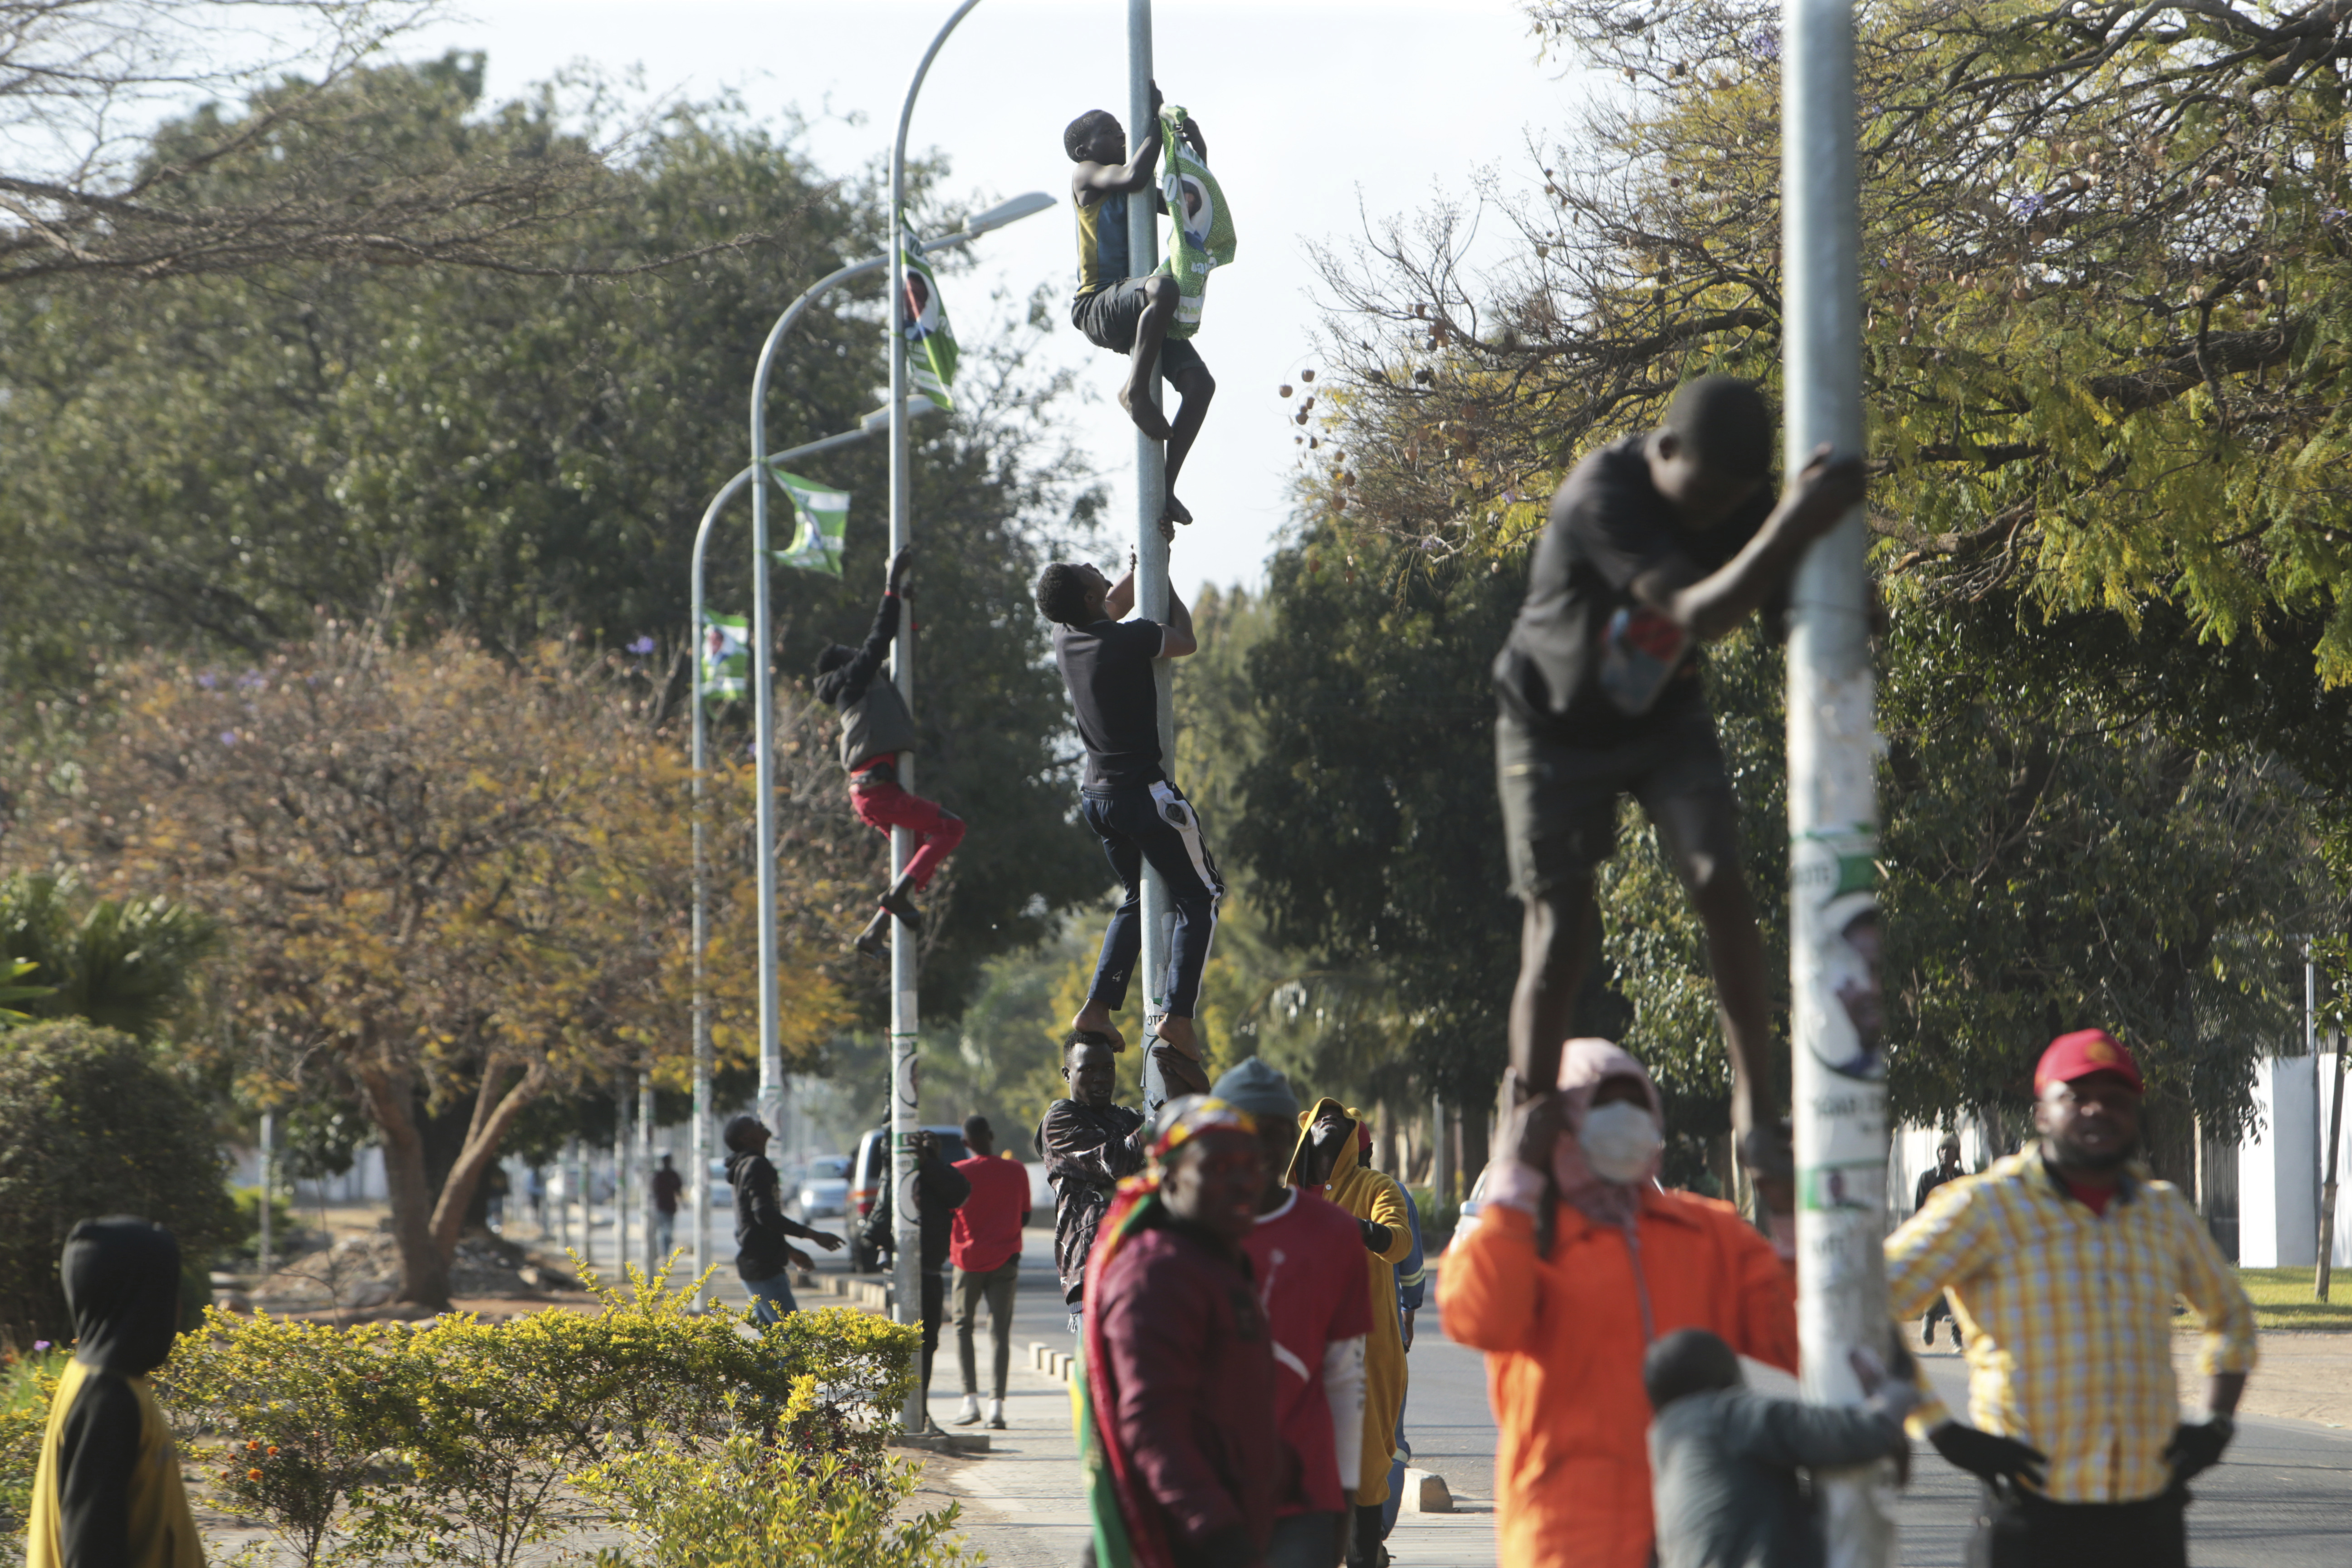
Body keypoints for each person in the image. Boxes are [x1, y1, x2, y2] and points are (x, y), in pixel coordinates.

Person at [1491, 374, 1867, 1222]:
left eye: (1725, 505)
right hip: (1550, 730)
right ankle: (1526, 1124)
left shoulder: (1748, 508)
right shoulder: (1601, 493)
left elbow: (1782, 605)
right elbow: (1698, 607)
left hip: (1661, 717)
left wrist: (1836, 593)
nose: (1707, 519)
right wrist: (1793, 524)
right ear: (1662, 452)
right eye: (1696, 499)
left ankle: (1754, 1108)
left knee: (1716, 875)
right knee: (1560, 929)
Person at [1884, 1029, 2257, 1568]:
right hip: (2033, 1520)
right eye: (2077, 1097)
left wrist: (2217, 1425)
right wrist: (1940, 1431)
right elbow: (1861, 1304)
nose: (2098, 1110)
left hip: (2147, 1517)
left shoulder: (2162, 1212)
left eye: (2116, 1097)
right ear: (2041, 1114)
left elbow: (2232, 1315)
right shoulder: (1983, 1207)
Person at [1440, 1039, 1798, 1568]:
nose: (1625, 1119)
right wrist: (1514, 1174)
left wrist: (1791, 1214)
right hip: (1568, 1543)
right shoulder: (1528, 1236)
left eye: (1637, 1102)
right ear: (1563, 1123)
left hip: (1700, 1534)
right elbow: (1480, 1318)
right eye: (1605, 1103)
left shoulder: (1707, 1233)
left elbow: (1800, 1338)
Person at [1034, 555, 1222, 1115]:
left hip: (1097, 799)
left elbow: (1109, 604)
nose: (1097, 568)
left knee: (1138, 898)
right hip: (1145, 796)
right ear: (1089, 600)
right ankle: (1179, 1018)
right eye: (1090, 571)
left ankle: (1098, 1005)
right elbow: (1184, 640)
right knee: (1202, 895)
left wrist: (1140, 563)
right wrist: (1160, 576)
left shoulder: (1068, 639)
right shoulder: (1128, 639)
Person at [1079, 1097, 1279, 1568]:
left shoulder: (1217, 1260)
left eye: (1251, 1166)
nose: (1243, 1182)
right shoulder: (1156, 1275)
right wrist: (1221, 1534)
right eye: (1219, 1167)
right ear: (1168, 1179)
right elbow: (1152, 1426)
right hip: (1177, 1544)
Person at [1214, 1058, 1372, 1568]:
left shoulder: (1333, 1235)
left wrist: (1343, 1504)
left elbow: (1345, 1380)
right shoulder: (1174, 1233)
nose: (1263, 1149)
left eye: (1278, 1134)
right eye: (1247, 1132)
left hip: (1304, 1495)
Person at [1064, 86, 1216, 531]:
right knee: (1162, 290)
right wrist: (1152, 117)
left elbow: (1189, 203)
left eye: (1124, 131)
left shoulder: (1136, 185)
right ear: (1083, 150)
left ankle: (1165, 489)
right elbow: (1131, 177)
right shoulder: (1087, 176)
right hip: (1099, 304)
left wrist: (1194, 146)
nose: (1122, 137)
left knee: (1199, 385)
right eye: (1112, 133)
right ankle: (1136, 391)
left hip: (1138, 304)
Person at [1644, 1328, 1916, 1568]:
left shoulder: (1665, 1443)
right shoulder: (1727, 1414)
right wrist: (1896, 1387)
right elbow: (1860, 1435)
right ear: (1728, 1376)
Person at [26, 1217, 204, 1568]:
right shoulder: (106, 1399)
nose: (177, 1310)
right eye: (167, 1295)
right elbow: (91, 1549)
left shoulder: (113, 1383)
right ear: (139, 1302)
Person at [815, 544, 964, 961]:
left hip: (873, 789)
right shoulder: (851, 682)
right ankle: (897, 901)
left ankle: (874, 932)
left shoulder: (870, 688)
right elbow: (878, 642)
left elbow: (902, 659)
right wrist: (891, 584)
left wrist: (908, 614)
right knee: (951, 830)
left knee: (918, 858)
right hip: (877, 790)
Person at [1286, 1097, 1413, 1567]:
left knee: (1363, 1473)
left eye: (1340, 1119)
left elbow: (1398, 1241)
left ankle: (1365, 1557)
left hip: (1367, 1357)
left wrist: (1354, 1227)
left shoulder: (1376, 1187)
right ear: (1304, 1134)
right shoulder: (1286, 1197)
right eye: (1321, 1117)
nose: (1330, 1118)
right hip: (1299, 1360)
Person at [857, 1129, 973, 1425]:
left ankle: (918, 1409)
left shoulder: (936, 1174)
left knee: (928, 1342)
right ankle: (904, 1410)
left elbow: (960, 1192)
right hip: (901, 1270)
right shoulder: (894, 1174)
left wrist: (930, 1161)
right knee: (903, 1342)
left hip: (930, 1270)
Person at [1037, 1034, 1149, 1331]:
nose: (1101, 1078)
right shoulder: (1061, 1120)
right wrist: (1163, 1120)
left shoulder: (1128, 1119)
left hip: (1141, 1269)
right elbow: (1116, 1162)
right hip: (1093, 1276)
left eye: (1108, 1069)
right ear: (1067, 1073)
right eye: (1089, 1070)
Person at [948, 1114, 1031, 1431]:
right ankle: (997, 1407)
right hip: (1005, 1259)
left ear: (966, 1143)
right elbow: (1024, 1217)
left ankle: (970, 1402)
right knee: (1000, 1332)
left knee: (963, 1327)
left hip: (966, 1261)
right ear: (992, 1135)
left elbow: (948, 1215)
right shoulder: (1016, 1170)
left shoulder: (957, 1173)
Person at [723, 1113, 845, 1324]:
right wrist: (813, 1235)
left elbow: (755, 1225)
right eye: (752, 1124)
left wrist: (789, 1251)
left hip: (756, 1264)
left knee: (772, 1343)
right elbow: (765, 1215)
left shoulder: (747, 1166)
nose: (760, 1123)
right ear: (746, 1139)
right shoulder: (756, 1165)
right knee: (791, 1339)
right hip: (764, 1267)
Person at [1378, 1186, 1427, 1544]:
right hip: (1384, 1338)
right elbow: (1411, 1271)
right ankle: (1374, 1534)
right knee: (1391, 1443)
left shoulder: (1295, 1194)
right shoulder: (1389, 1192)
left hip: (1317, 1343)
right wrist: (1409, 1309)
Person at [1911, 1132, 1965, 1348]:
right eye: (1942, 1149)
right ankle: (1930, 1316)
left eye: (1950, 1149)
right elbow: (1920, 1211)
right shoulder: (1928, 1178)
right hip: (1934, 1241)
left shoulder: (1964, 1179)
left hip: (1959, 1242)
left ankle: (1957, 1335)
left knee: (1960, 1289)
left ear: (1957, 1153)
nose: (1946, 1153)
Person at [651, 1152, 684, 1262]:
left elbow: (679, 1190)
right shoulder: (659, 1175)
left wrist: (683, 1203)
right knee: (663, 1231)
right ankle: (663, 1252)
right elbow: (653, 1191)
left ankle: (665, 1252)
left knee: (668, 1232)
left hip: (670, 1207)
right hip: (660, 1207)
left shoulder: (673, 1175)